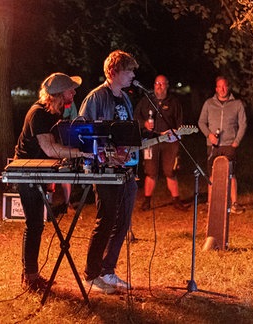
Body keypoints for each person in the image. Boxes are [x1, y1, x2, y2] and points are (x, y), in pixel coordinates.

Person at [14, 72, 94, 292]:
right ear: (59, 93)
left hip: (39, 170)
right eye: (70, 89)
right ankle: (30, 277)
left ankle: (31, 275)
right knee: (34, 224)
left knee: (37, 224)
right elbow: (50, 149)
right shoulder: (38, 114)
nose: (74, 92)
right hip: (26, 172)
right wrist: (81, 153)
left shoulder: (53, 112)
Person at [79, 50, 139, 294]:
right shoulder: (96, 98)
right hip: (104, 170)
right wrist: (103, 153)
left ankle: (108, 270)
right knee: (105, 221)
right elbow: (81, 132)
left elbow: (129, 133)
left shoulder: (125, 98)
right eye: (129, 71)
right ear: (114, 72)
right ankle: (91, 274)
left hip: (126, 170)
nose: (133, 75)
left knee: (123, 220)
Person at [134, 75, 189, 211]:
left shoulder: (173, 102)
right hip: (151, 140)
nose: (159, 86)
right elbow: (135, 117)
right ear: (153, 85)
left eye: (162, 84)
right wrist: (144, 124)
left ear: (167, 85)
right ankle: (147, 201)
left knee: (170, 171)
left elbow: (180, 122)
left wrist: (176, 133)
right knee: (150, 172)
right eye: (157, 83)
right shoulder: (146, 101)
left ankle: (176, 200)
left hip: (169, 141)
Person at [198, 76, 247, 214]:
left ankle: (234, 203)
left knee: (230, 174)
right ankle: (211, 203)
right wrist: (209, 135)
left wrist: (236, 141)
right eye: (219, 86)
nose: (222, 89)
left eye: (224, 86)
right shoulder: (209, 103)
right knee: (212, 174)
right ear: (216, 88)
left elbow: (243, 124)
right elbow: (201, 122)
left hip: (229, 144)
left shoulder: (237, 104)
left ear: (228, 87)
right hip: (213, 145)